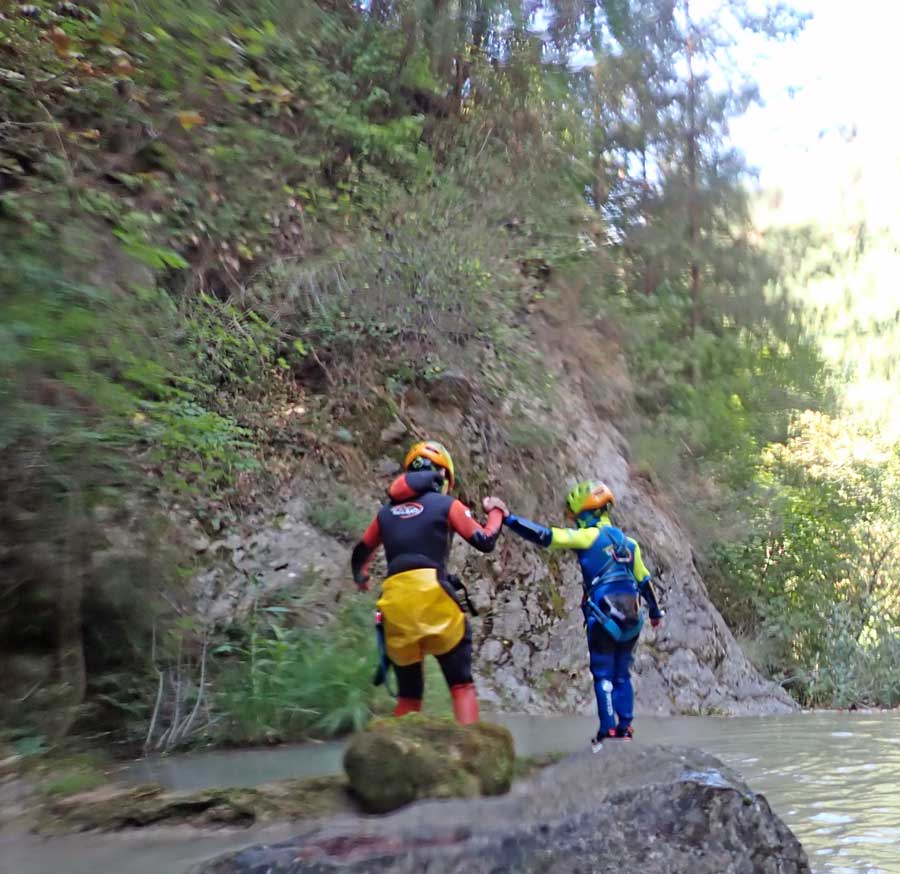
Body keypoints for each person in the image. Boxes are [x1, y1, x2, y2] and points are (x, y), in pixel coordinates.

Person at [485, 481, 663, 751]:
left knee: (603, 673)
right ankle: (625, 728)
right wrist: (655, 613)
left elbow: (546, 536)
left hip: (603, 615)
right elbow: (644, 581)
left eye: (576, 515)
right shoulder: (631, 544)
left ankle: (607, 730)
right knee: (622, 674)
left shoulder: (587, 537)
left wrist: (509, 518)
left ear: (584, 512)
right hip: (632, 617)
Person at [351, 440, 507, 725]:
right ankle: (469, 748)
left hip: (394, 604)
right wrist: (497, 513)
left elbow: (361, 552)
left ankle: (398, 752)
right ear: (444, 476)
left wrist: (361, 578)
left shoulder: (385, 513)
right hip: (434, 596)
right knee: (461, 685)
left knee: (409, 696)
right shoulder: (447, 505)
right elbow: (484, 540)